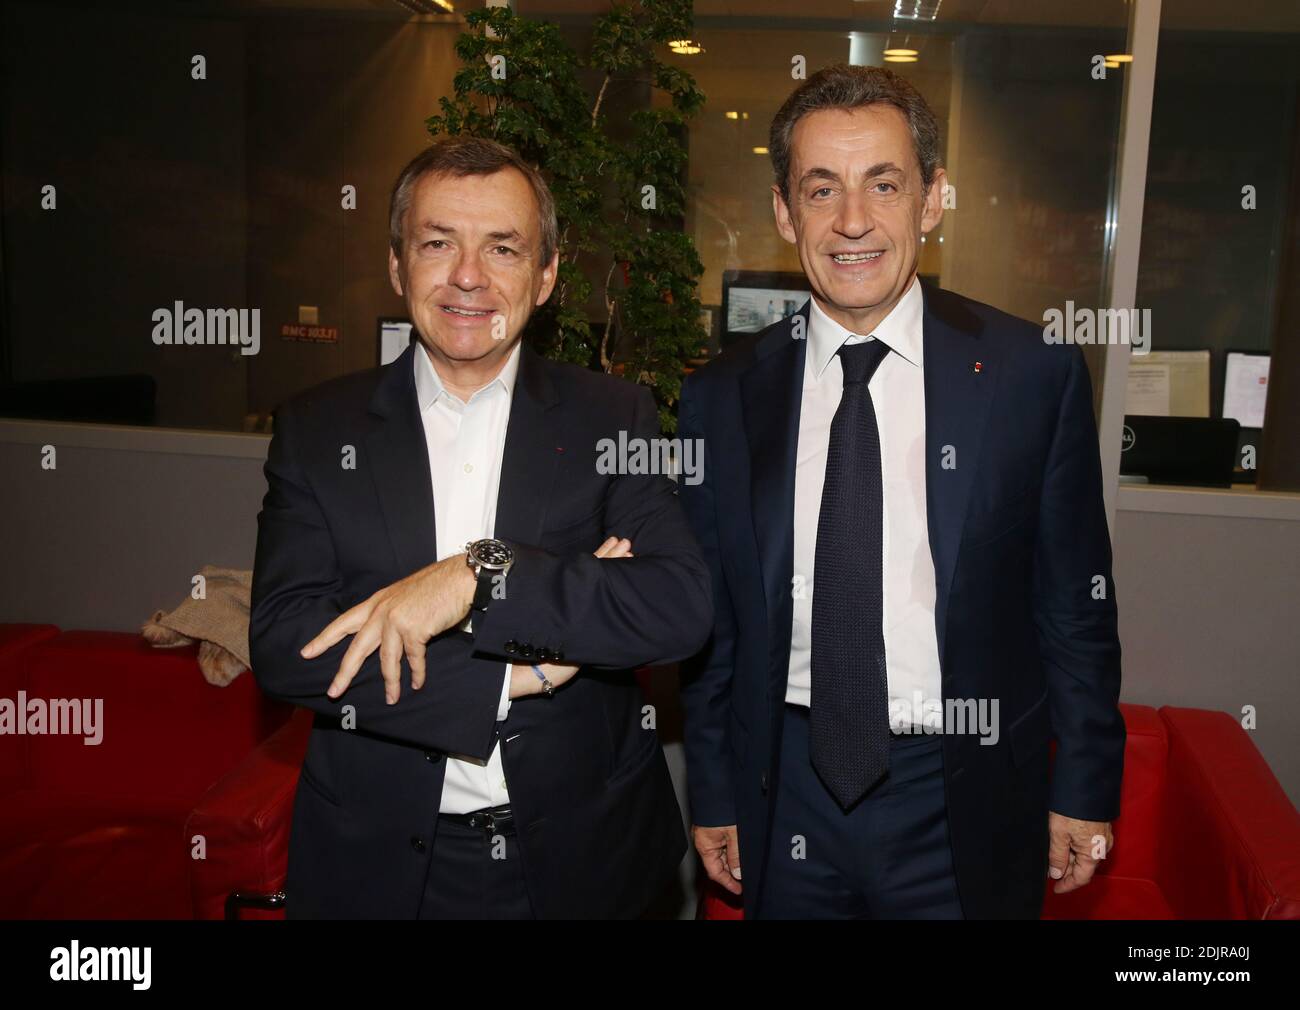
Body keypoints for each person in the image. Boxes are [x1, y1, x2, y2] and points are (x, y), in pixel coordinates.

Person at [678, 64, 1125, 919]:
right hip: (786, 791)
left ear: (932, 199)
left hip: (965, 791)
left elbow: (1076, 603)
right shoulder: (720, 397)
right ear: (785, 212)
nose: (852, 221)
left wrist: (1085, 783)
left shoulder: (1031, 375)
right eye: (821, 190)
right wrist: (715, 791)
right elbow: (715, 630)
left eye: (884, 184)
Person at [251, 136, 711, 918]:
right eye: (438, 243)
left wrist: (479, 576)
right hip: (381, 866)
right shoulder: (318, 430)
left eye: (503, 248)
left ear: (546, 275)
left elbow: (677, 606)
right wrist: (518, 676)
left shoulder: (613, 415)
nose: (468, 275)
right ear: (398, 264)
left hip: (586, 859)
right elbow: (290, 645)